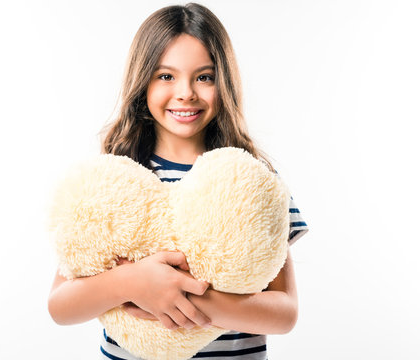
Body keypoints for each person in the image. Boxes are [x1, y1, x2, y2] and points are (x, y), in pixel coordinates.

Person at [48, 3, 309, 359]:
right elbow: (61, 306)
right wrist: (132, 282)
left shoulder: (252, 182)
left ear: (224, 82)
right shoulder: (112, 181)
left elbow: (284, 313)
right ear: (143, 82)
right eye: (166, 76)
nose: (186, 92)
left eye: (204, 76)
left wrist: (188, 296)